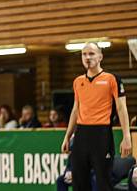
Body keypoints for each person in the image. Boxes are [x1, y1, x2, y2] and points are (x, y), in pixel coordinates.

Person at [61, 43, 132, 191]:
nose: (87, 57)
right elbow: (75, 110)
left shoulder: (112, 79)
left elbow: (121, 108)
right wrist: (67, 136)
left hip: (102, 135)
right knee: (79, 183)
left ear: (100, 56)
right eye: (84, 54)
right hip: (80, 136)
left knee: (102, 182)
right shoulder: (78, 81)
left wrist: (127, 137)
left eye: (91, 54)